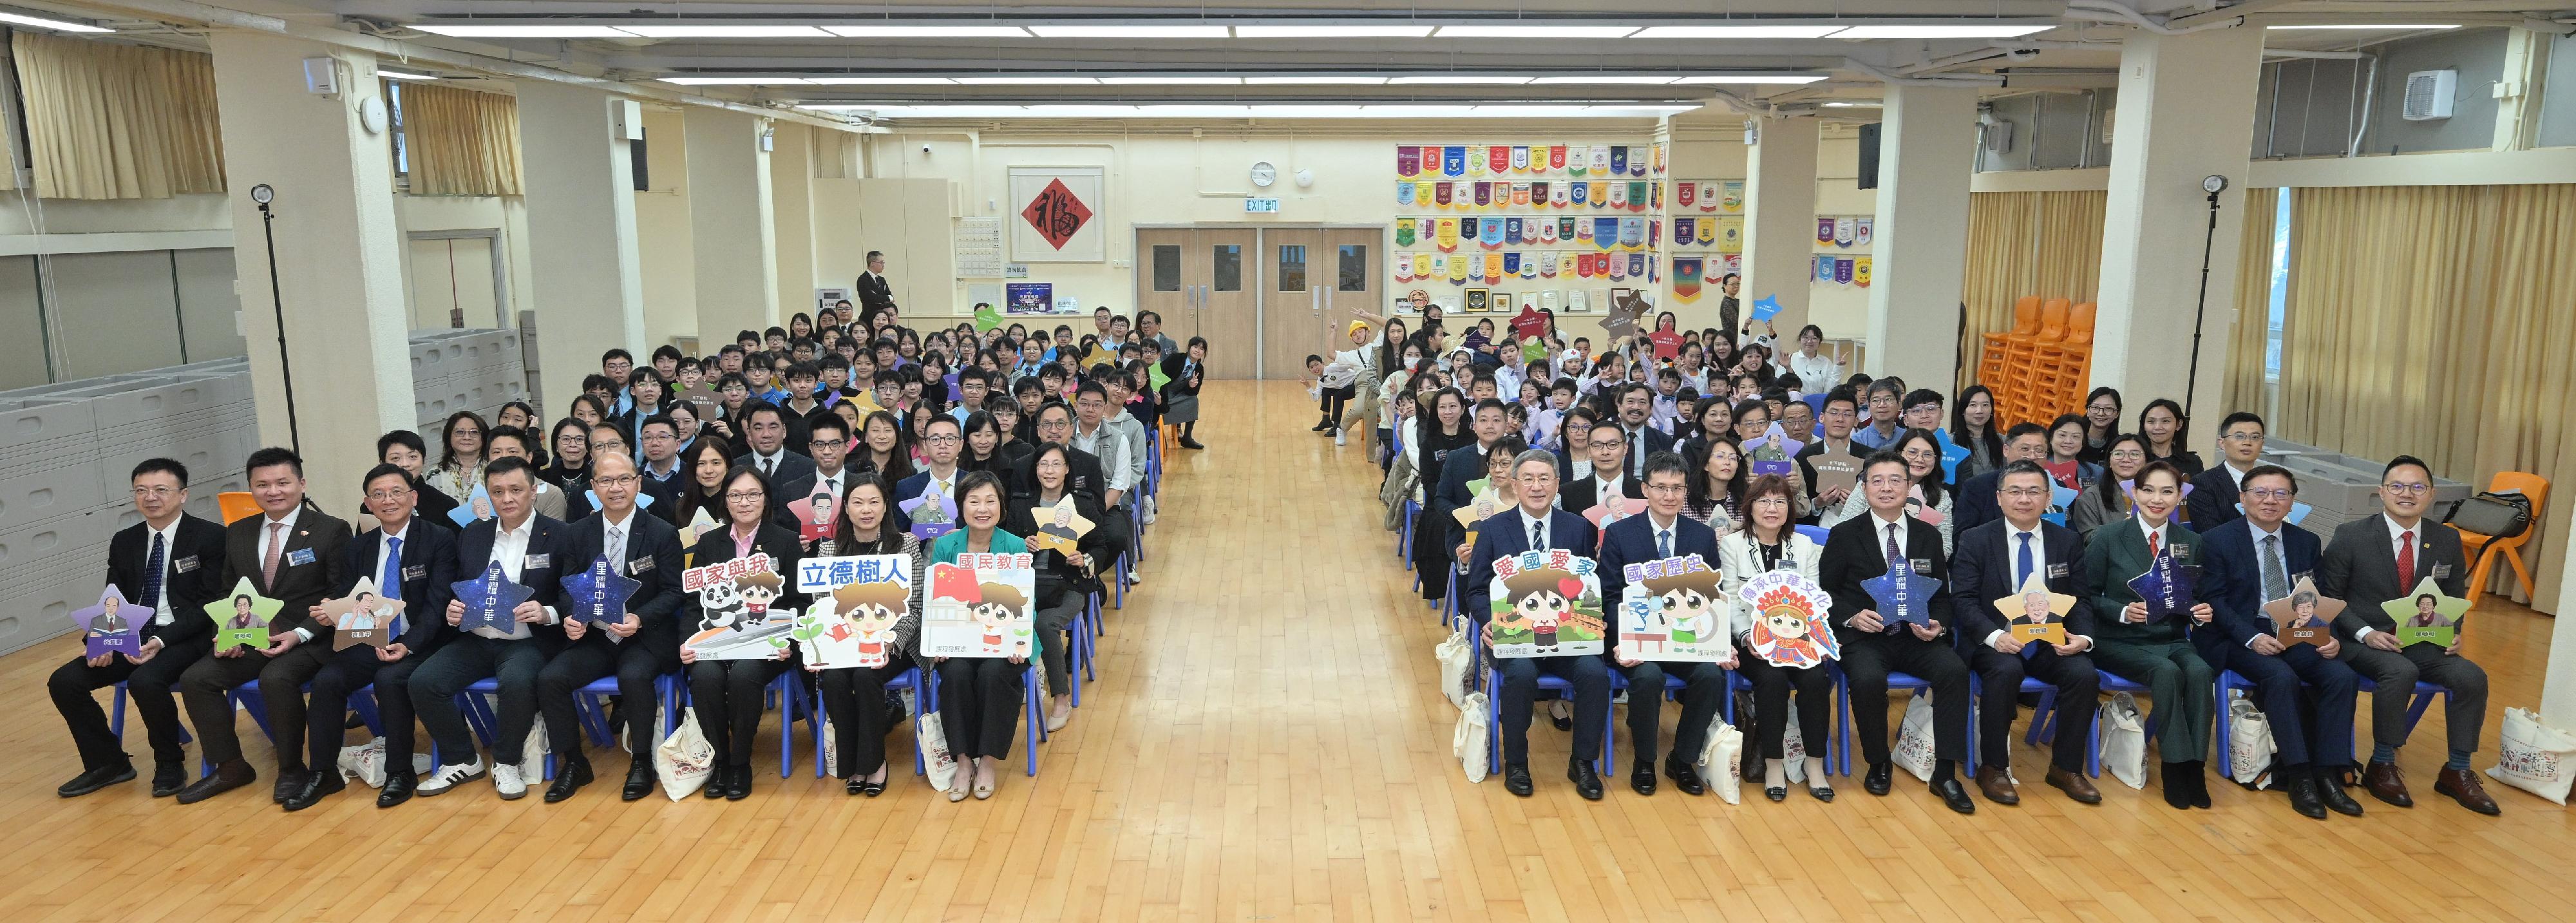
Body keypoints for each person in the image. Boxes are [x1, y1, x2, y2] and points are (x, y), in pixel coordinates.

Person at [174, 448, 355, 805]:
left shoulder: (331, 530)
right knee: (197, 678)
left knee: (277, 677)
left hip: (310, 637)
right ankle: (230, 767)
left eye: (282, 483)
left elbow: (340, 594)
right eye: (262, 485)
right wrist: (229, 633)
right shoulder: (238, 532)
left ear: (301, 485)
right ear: (251, 489)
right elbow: (229, 590)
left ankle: (291, 769)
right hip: (252, 634)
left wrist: (301, 632)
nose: (273, 491)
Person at [2319, 455, 2498, 815]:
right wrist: (2366, 633)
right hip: (2363, 642)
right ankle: (2382, 764)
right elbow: (2330, 598)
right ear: (2381, 492)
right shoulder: (2351, 535)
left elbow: (2453, 595)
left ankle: (2457, 770)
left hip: (2423, 640)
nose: (2407, 494)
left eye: (2417, 487)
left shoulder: (2445, 538)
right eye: (2397, 486)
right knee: (2399, 671)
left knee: (2471, 676)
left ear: (2431, 495)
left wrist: (2454, 631)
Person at [50, 459, 230, 799]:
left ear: (183, 495)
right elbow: (113, 598)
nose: (151, 497)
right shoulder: (125, 541)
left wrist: (162, 641)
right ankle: (108, 763)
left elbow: (209, 605)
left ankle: (169, 763)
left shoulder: (210, 537)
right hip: (133, 634)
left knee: (145, 679)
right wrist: (101, 642)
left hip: (187, 635)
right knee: (65, 681)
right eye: (142, 490)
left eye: (161, 490)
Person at [285, 464, 459, 810]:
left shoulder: (439, 538)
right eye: (378, 495)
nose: (388, 500)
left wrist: (408, 644)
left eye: (396, 492)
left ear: (413, 496)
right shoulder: (359, 547)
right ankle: (323, 772)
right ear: (368, 503)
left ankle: (400, 771)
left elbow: (439, 603)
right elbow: (346, 595)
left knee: (390, 679)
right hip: (371, 638)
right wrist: (330, 610)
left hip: (423, 639)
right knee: (327, 680)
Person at [2197, 464, 2365, 819]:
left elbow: (2313, 598)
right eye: (2260, 492)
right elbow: (2215, 601)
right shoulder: (2216, 540)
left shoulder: (2306, 542)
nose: (2270, 501)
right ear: (2242, 499)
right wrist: (2252, 637)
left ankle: (2329, 772)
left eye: (2280, 494)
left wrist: (2329, 637)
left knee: (2341, 676)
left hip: (2297, 631)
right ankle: (2300, 774)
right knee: (2280, 677)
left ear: (2292, 502)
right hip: (2238, 635)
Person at [407, 457, 572, 801]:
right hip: (478, 637)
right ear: (489, 495)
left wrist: (548, 612)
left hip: (528, 640)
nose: (507, 499)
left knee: (517, 682)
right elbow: (458, 586)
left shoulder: (559, 535)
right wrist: (455, 609)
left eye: (516, 490)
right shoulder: (474, 534)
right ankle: (461, 759)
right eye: (498, 492)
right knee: (424, 682)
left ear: (534, 490)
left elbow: (573, 594)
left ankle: (508, 762)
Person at [1819, 452, 1976, 814]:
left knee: (1954, 672)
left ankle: (1945, 771)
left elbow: (1941, 595)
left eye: (1895, 480)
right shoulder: (1844, 534)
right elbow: (1826, 593)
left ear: (1910, 487)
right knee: (1868, 679)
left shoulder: (1927, 536)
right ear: (1864, 487)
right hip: (1865, 637)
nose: (1886, 488)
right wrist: (1853, 617)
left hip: (1914, 636)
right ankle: (1878, 761)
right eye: (1877, 480)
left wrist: (1939, 625)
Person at [533, 451, 687, 803]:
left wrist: (640, 618)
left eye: (623, 480)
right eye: (605, 481)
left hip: (643, 637)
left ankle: (643, 761)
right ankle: (574, 762)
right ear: (593, 487)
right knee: (551, 678)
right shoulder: (578, 533)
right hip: (595, 635)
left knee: (634, 678)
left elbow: (674, 592)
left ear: (638, 483)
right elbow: (567, 586)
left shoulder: (661, 532)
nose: (615, 488)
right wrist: (572, 617)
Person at [1947, 461, 2103, 806]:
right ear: (1999, 498)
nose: (2024, 499)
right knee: (2006, 670)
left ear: (2048, 497)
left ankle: (2065, 768)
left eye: (2034, 491)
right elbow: (1963, 600)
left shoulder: (2067, 541)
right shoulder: (1976, 539)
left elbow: (2080, 599)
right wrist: (1993, 637)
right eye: (2015, 491)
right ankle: (1994, 767)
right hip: (1996, 640)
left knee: (2084, 675)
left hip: (2049, 642)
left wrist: (2083, 638)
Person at [1461, 450, 1607, 799]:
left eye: (1545, 479)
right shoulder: (1493, 529)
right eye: (1528, 479)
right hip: (1514, 637)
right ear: (1514, 484)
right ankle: (1517, 762)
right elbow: (1477, 590)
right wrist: (1487, 622)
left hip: (1568, 639)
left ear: (1557, 484)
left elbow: (1591, 589)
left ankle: (1583, 762)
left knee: (1594, 674)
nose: (1537, 486)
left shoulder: (1579, 528)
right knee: (1521, 675)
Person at [2077, 461, 2216, 810]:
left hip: (2170, 638)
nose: (2157, 499)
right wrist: (2121, 611)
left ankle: (2195, 767)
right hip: (2118, 640)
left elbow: (2194, 595)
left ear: (2180, 496)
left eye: (2168, 491)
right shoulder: (2107, 538)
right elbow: (2085, 596)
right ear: (2134, 494)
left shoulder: (2192, 541)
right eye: (2149, 490)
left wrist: (2200, 611)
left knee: (2201, 672)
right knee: (2167, 674)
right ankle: (2173, 765)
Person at [1595, 452, 1729, 796]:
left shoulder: (1701, 537)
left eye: (1677, 489)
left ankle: (1682, 760)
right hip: (1638, 640)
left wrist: (1719, 641)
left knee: (1711, 675)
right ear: (1645, 490)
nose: (1669, 496)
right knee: (1649, 677)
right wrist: (1622, 638)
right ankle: (1644, 760)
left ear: (1686, 492)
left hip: (1687, 640)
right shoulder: (1621, 534)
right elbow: (1609, 596)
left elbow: (1713, 596)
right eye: (1661, 488)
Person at [682, 464, 806, 801]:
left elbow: (799, 602)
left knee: (744, 676)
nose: (744, 502)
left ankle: (740, 762)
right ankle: (719, 760)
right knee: (705, 676)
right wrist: (688, 642)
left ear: (765, 499)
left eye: (753, 494)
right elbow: (694, 603)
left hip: (768, 646)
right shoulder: (709, 543)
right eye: (736, 495)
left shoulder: (785, 541)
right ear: (725, 500)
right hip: (717, 643)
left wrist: (787, 642)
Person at [1718, 474, 1833, 801]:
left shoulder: (1805, 545)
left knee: (1814, 680)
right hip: (1755, 645)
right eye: (1763, 501)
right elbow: (1728, 599)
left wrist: (1817, 639)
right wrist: (1746, 637)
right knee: (1771, 681)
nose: (1772, 508)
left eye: (1780, 501)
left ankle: (1814, 764)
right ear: (1750, 507)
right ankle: (1773, 763)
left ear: (1790, 508)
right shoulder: (1732, 545)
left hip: (1797, 640)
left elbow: (1814, 598)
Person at [808, 473, 923, 796]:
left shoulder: (905, 545)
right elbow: (821, 607)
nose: (866, 510)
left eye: (874, 502)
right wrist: (819, 648)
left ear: (886, 506)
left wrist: (889, 641)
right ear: (845, 508)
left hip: (890, 641)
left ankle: (873, 763)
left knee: (865, 675)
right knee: (832, 680)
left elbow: (915, 607)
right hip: (844, 641)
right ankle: (852, 763)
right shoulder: (830, 549)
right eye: (857, 502)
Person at [931, 471, 1034, 801]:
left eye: (990, 501)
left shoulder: (1014, 546)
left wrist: (1020, 643)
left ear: (1001, 506)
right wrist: (936, 643)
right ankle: (963, 760)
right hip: (957, 642)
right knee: (958, 673)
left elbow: (1026, 602)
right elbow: (934, 601)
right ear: (961, 506)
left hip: (1003, 642)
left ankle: (987, 760)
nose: (982, 508)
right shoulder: (946, 545)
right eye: (974, 501)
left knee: (993, 674)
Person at [1004, 444, 1115, 734]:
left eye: (1056, 465)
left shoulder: (1083, 504)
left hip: (1069, 583)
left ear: (1067, 469)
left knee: (1044, 623)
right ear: (1035, 470)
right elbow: (1004, 546)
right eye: (1043, 465)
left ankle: (1061, 699)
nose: (1049, 471)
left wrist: (1084, 558)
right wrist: (1021, 545)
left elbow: (1100, 546)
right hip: (1025, 585)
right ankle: (1012, 692)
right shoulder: (1020, 504)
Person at [773, 413, 858, 544]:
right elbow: (782, 539)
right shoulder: (792, 491)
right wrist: (794, 547)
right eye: (819, 445)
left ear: (847, 446)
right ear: (811, 448)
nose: (827, 451)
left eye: (834, 444)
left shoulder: (862, 488)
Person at [2188, 411, 2269, 531]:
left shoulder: (2272, 482)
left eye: (2255, 437)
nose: (2247, 442)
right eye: (2239, 436)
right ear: (2222, 443)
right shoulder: (2203, 483)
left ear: (2262, 444)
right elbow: (2211, 534)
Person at [2068, 434, 2152, 537]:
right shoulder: (2091, 497)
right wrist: (2123, 528)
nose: (2126, 459)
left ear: (2146, 461)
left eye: (2134, 454)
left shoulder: (2158, 495)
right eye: (2119, 454)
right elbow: (2090, 539)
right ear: (2109, 461)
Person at [1560, 420, 1642, 522]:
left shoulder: (1644, 492)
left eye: (1613, 445)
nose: (1605, 452)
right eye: (1597, 446)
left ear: (1625, 448)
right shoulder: (1568, 493)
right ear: (1589, 450)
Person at [736, 403, 818, 486]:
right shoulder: (735, 467)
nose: (766, 434)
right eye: (758, 428)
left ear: (784, 431)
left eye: (773, 427)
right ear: (749, 434)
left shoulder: (808, 468)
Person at [1612, 384, 1676, 481]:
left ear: (1650, 409)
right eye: (1630, 401)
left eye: (1642, 402)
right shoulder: (1606, 436)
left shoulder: (1662, 440)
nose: (1636, 407)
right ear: (1619, 406)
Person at [1683, 436, 1746, 533]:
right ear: (1706, 465)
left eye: (1733, 458)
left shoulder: (1746, 502)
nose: (1727, 462)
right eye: (1720, 456)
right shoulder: (1686, 503)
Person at [1948, 386, 2005, 484]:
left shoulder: (2004, 442)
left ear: (1992, 411)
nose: (1979, 411)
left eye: (1985, 405)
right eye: (1973, 405)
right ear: (1963, 410)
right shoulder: (1950, 442)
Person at [428, 411, 488, 502]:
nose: (467, 437)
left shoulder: (495, 468)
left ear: (483, 437)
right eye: (460, 432)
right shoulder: (435, 475)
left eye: (474, 432)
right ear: (449, 436)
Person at [1160, 336, 1208, 450]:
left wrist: (1190, 387)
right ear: (1189, 348)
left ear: (1204, 353)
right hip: (1165, 391)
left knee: (1193, 400)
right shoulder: (1176, 358)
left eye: (1201, 349)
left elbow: (1194, 392)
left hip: (1180, 395)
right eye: (1195, 347)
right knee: (1160, 405)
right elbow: (1160, 374)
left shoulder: (1199, 368)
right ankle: (1159, 431)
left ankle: (1187, 438)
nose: (1197, 350)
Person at [2137, 399, 2203, 479]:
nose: (2158, 427)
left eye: (2166, 421)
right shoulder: (2135, 458)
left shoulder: (2193, 462)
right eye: (2151, 421)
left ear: (2179, 425)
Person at [2042, 414, 2103, 491]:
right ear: (2051, 439)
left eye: (2076, 436)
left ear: (2083, 442)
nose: (2068, 441)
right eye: (2062, 435)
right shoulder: (2037, 468)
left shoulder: (2097, 472)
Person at [1783, 324, 1838, 394]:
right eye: (1805, 337)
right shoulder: (1789, 360)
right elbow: (1780, 388)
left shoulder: (1826, 362)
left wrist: (1839, 368)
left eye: (1814, 338)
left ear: (1820, 342)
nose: (1809, 341)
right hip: (1794, 403)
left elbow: (1830, 391)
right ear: (1800, 339)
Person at [1850, 380, 1904, 450]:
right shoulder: (1857, 440)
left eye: (1888, 399)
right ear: (1869, 405)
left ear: (1899, 404)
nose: (1882, 405)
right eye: (1876, 400)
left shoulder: (1908, 438)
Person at [2077, 387, 2123, 466]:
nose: (2101, 413)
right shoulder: (2074, 439)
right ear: (2087, 411)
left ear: (2117, 414)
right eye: (2095, 408)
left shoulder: (2119, 445)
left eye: (2108, 409)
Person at [854, 251, 896, 328]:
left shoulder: (881, 280)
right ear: (872, 263)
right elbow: (872, 298)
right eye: (881, 263)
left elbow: (891, 297)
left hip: (882, 319)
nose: (883, 265)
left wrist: (882, 298)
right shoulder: (863, 279)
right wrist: (886, 298)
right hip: (868, 319)